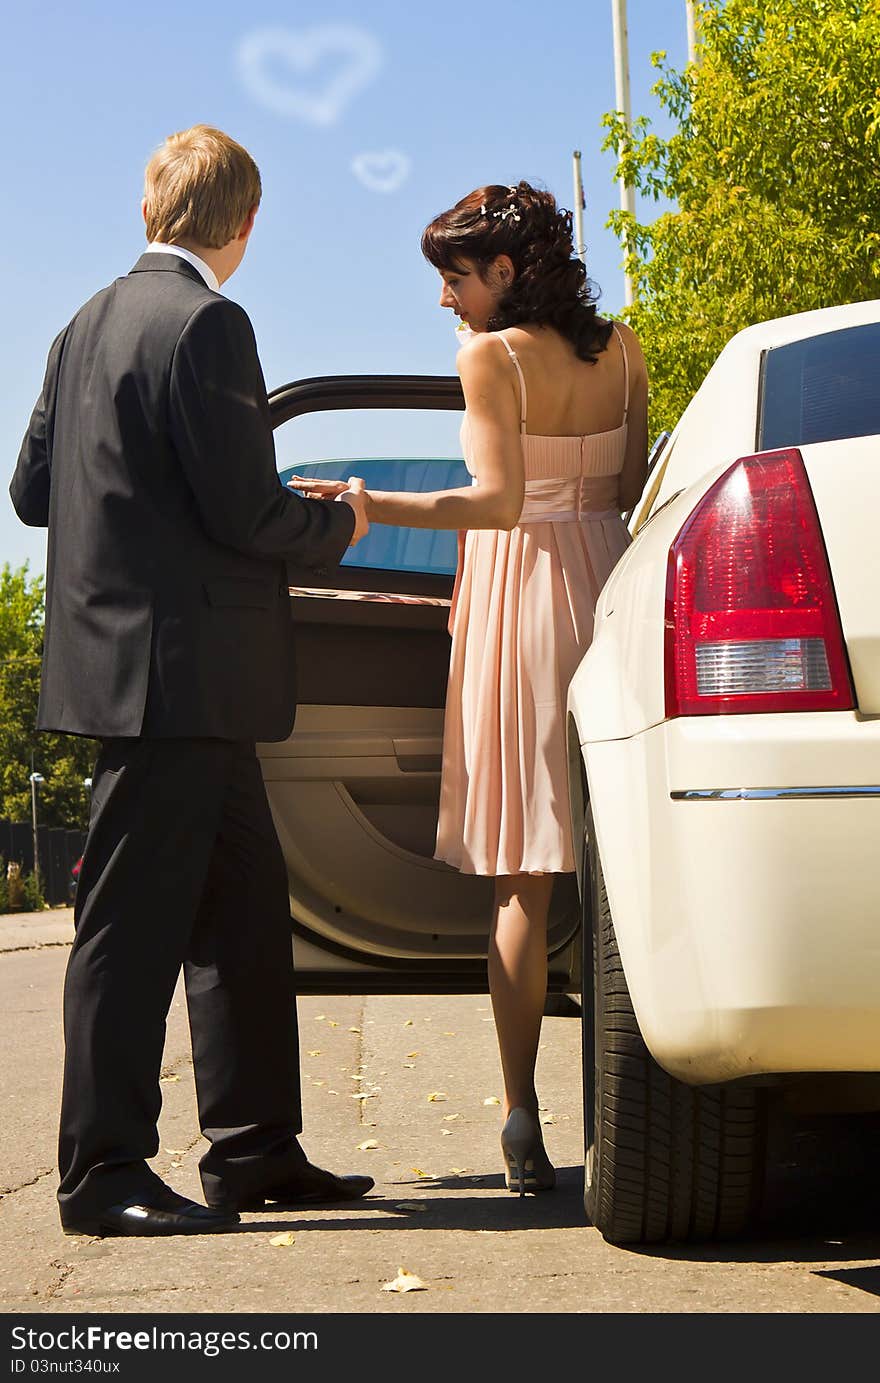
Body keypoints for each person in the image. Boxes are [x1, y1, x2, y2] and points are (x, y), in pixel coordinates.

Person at [10, 124, 373, 1237]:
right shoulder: (212, 324)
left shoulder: (82, 325)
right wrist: (338, 521)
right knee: (127, 934)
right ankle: (101, 1173)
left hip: (155, 680)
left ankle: (254, 1149)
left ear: (147, 210)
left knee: (244, 923)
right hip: (180, 680)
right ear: (245, 227)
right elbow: (244, 512)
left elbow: (31, 494)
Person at [290, 180, 648, 1195]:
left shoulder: (489, 359)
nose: (444, 301)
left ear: (502, 270)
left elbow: (492, 504)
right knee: (624, 855)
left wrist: (366, 507)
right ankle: (642, 1106)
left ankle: (521, 1114)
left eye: (451, 279)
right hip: (612, 582)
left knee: (523, 877)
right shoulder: (623, 350)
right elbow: (624, 492)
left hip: (525, 599)